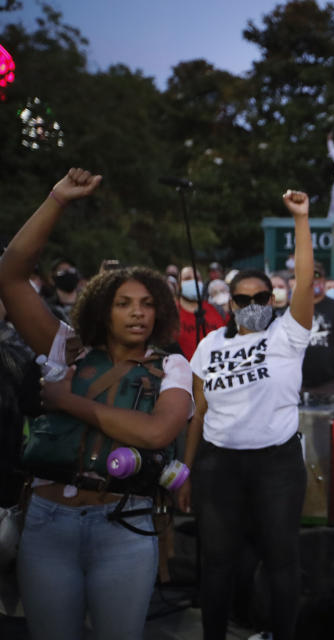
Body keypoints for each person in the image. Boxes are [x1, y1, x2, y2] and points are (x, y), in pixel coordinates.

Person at [0, 168, 193, 640]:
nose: (137, 313)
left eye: (147, 303)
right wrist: (57, 200)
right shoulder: (67, 348)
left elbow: (155, 434)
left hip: (123, 526)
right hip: (47, 522)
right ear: (102, 308)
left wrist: (66, 400)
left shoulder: (172, 367)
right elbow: (10, 276)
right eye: (124, 303)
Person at [178, 189, 314, 640]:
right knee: (217, 563)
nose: (252, 305)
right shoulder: (209, 345)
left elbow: (306, 280)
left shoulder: (287, 337)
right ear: (229, 305)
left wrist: (300, 220)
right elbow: (198, 412)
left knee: (281, 559)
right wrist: (187, 471)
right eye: (242, 299)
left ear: (273, 302)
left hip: (276, 463)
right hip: (219, 465)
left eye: (261, 297)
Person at [302, 263, 334, 396]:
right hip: (296, 384)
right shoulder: (294, 309)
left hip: (328, 384)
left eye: (316, 277)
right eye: (308, 277)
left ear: (323, 280)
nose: (313, 281)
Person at [175, 265, 225, 360]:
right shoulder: (171, 313)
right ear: (179, 285)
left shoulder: (216, 309)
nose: (193, 282)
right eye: (187, 278)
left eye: (197, 278)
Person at [47, 257, 81, 323]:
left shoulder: (89, 305)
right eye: (61, 272)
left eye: (71, 270)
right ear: (52, 279)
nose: (68, 273)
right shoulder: (47, 309)